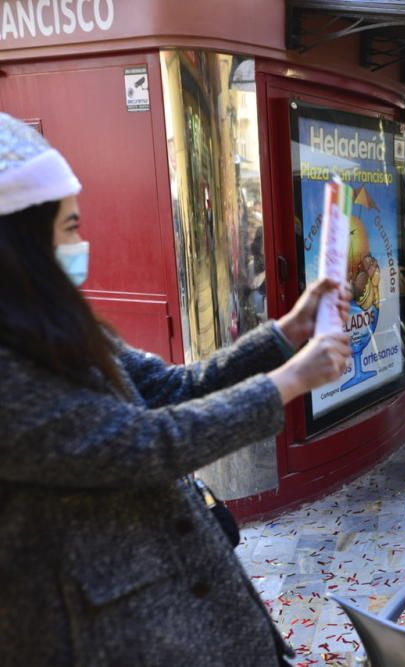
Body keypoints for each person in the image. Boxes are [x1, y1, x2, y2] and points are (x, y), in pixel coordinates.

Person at [0, 114, 352, 665]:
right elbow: (141, 443)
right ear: (19, 240)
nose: (82, 242)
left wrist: (285, 335)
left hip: (185, 603)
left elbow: (172, 387)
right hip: (107, 634)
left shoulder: (61, 325)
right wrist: (290, 380)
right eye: (70, 227)